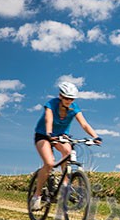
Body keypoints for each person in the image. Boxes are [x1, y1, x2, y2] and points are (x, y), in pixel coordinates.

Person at [31, 81, 102, 210]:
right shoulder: (51, 104)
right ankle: (37, 195)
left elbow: (84, 124)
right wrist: (49, 133)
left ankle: (64, 186)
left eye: (71, 98)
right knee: (49, 163)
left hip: (62, 136)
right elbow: (49, 119)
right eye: (66, 98)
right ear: (60, 96)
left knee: (68, 153)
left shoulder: (74, 108)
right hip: (44, 135)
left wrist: (95, 136)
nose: (69, 101)